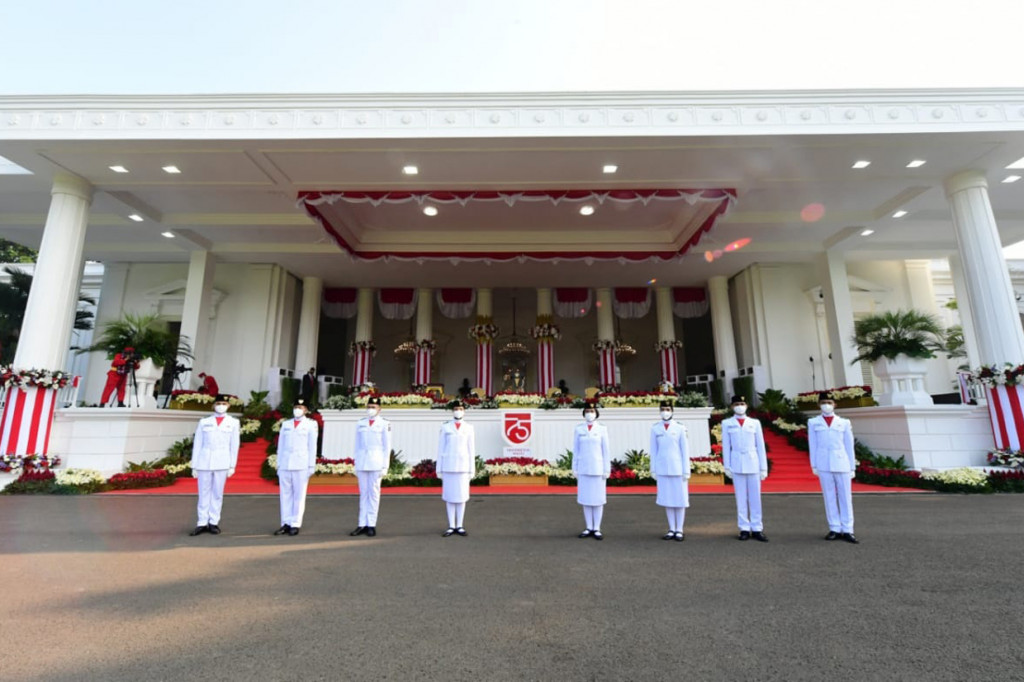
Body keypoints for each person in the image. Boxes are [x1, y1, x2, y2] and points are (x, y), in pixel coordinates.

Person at [807, 392, 859, 543]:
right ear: (819, 405)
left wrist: (852, 466)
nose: (826, 405)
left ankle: (848, 529)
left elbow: (849, 445)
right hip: (823, 462)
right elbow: (813, 445)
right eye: (823, 402)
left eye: (829, 402)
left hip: (841, 461)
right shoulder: (813, 422)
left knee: (845, 497)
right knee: (829, 496)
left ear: (835, 404)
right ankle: (834, 528)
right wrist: (814, 464)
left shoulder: (844, 422)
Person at [188, 394, 240, 536]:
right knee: (203, 493)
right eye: (218, 403)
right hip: (204, 461)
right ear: (214, 405)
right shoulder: (204, 422)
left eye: (224, 403)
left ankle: (213, 522)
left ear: (228, 406)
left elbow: (234, 445)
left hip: (222, 461)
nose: (221, 406)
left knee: (217, 493)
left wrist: (232, 465)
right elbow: (197, 444)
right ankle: (201, 522)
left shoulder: (233, 422)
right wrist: (194, 465)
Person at [721, 395, 769, 542]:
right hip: (737, 463)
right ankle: (744, 528)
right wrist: (727, 466)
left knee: (755, 498)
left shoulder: (754, 423)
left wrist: (763, 468)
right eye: (736, 404)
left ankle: (757, 528)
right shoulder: (727, 423)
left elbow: (760, 446)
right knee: (740, 498)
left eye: (742, 403)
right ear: (732, 407)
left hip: (753, 462)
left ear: (746, 405)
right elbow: (726, 446)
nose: (739, 406)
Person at [273, 398, 318, 537]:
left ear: (306, 410)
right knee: (285, 495)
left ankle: (295, 523)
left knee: (299, 495)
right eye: (296, 406)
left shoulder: (311, 424)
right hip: (286, 463)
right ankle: (285, 522)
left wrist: (311, 465)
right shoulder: (286, 424)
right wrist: (279, 464)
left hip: (301, 464)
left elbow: (312, 446)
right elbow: (281, 446)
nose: (298, 409)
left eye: (301, 407)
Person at [350, 396, 391, 537]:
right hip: (362, 461)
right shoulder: (361, 423)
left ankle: (371, 524)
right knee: (363, 494)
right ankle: (362, 523)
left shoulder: (384, 424)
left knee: (373, 494)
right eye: (369, 407)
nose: (370, 409)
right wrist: (355, 463)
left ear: (379, 409)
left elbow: (387, 447)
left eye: (373, 407)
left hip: (376, 463)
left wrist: (385, 466)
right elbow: (357, 445)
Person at [649, 400, 690, 541]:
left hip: (677, 468)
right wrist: (653, 469)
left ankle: (680, 529)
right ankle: (671, 528)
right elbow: (653, 450)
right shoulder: (655, 428)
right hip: (662, 468)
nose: (665, 411)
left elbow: (685, 450)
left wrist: (686, 470)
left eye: (667, 409)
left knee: (679, 499)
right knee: (667, 499)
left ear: (672, 411)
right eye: (663, 409)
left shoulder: (679, 428)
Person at [436, 399, 475, 537]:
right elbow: (441, 448)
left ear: (464, 411)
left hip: (463, 466)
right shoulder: (445, 427)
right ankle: (451, 525)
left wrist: (472, 469)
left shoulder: (469, 427)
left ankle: (460, 525)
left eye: (461, 409)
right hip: (448, 466)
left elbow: (471, 450)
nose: (458, 411)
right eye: (456, 409)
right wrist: (439, 468)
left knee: (462, 496)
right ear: (453, 411)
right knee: (449, 496)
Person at [572, 401, 611, 540]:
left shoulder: (602, 429)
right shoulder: (579, 429)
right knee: (586, 499)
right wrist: (574, 467)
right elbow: (576, 450)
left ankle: (597, 528)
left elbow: (606, 450)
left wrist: (607, 469)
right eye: (587, 412)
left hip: (598, 468)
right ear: (584, 414)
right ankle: (589, 527)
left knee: (598, 499)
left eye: (592, 412)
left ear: (596, 414)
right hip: (583, 468)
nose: (590, 414)